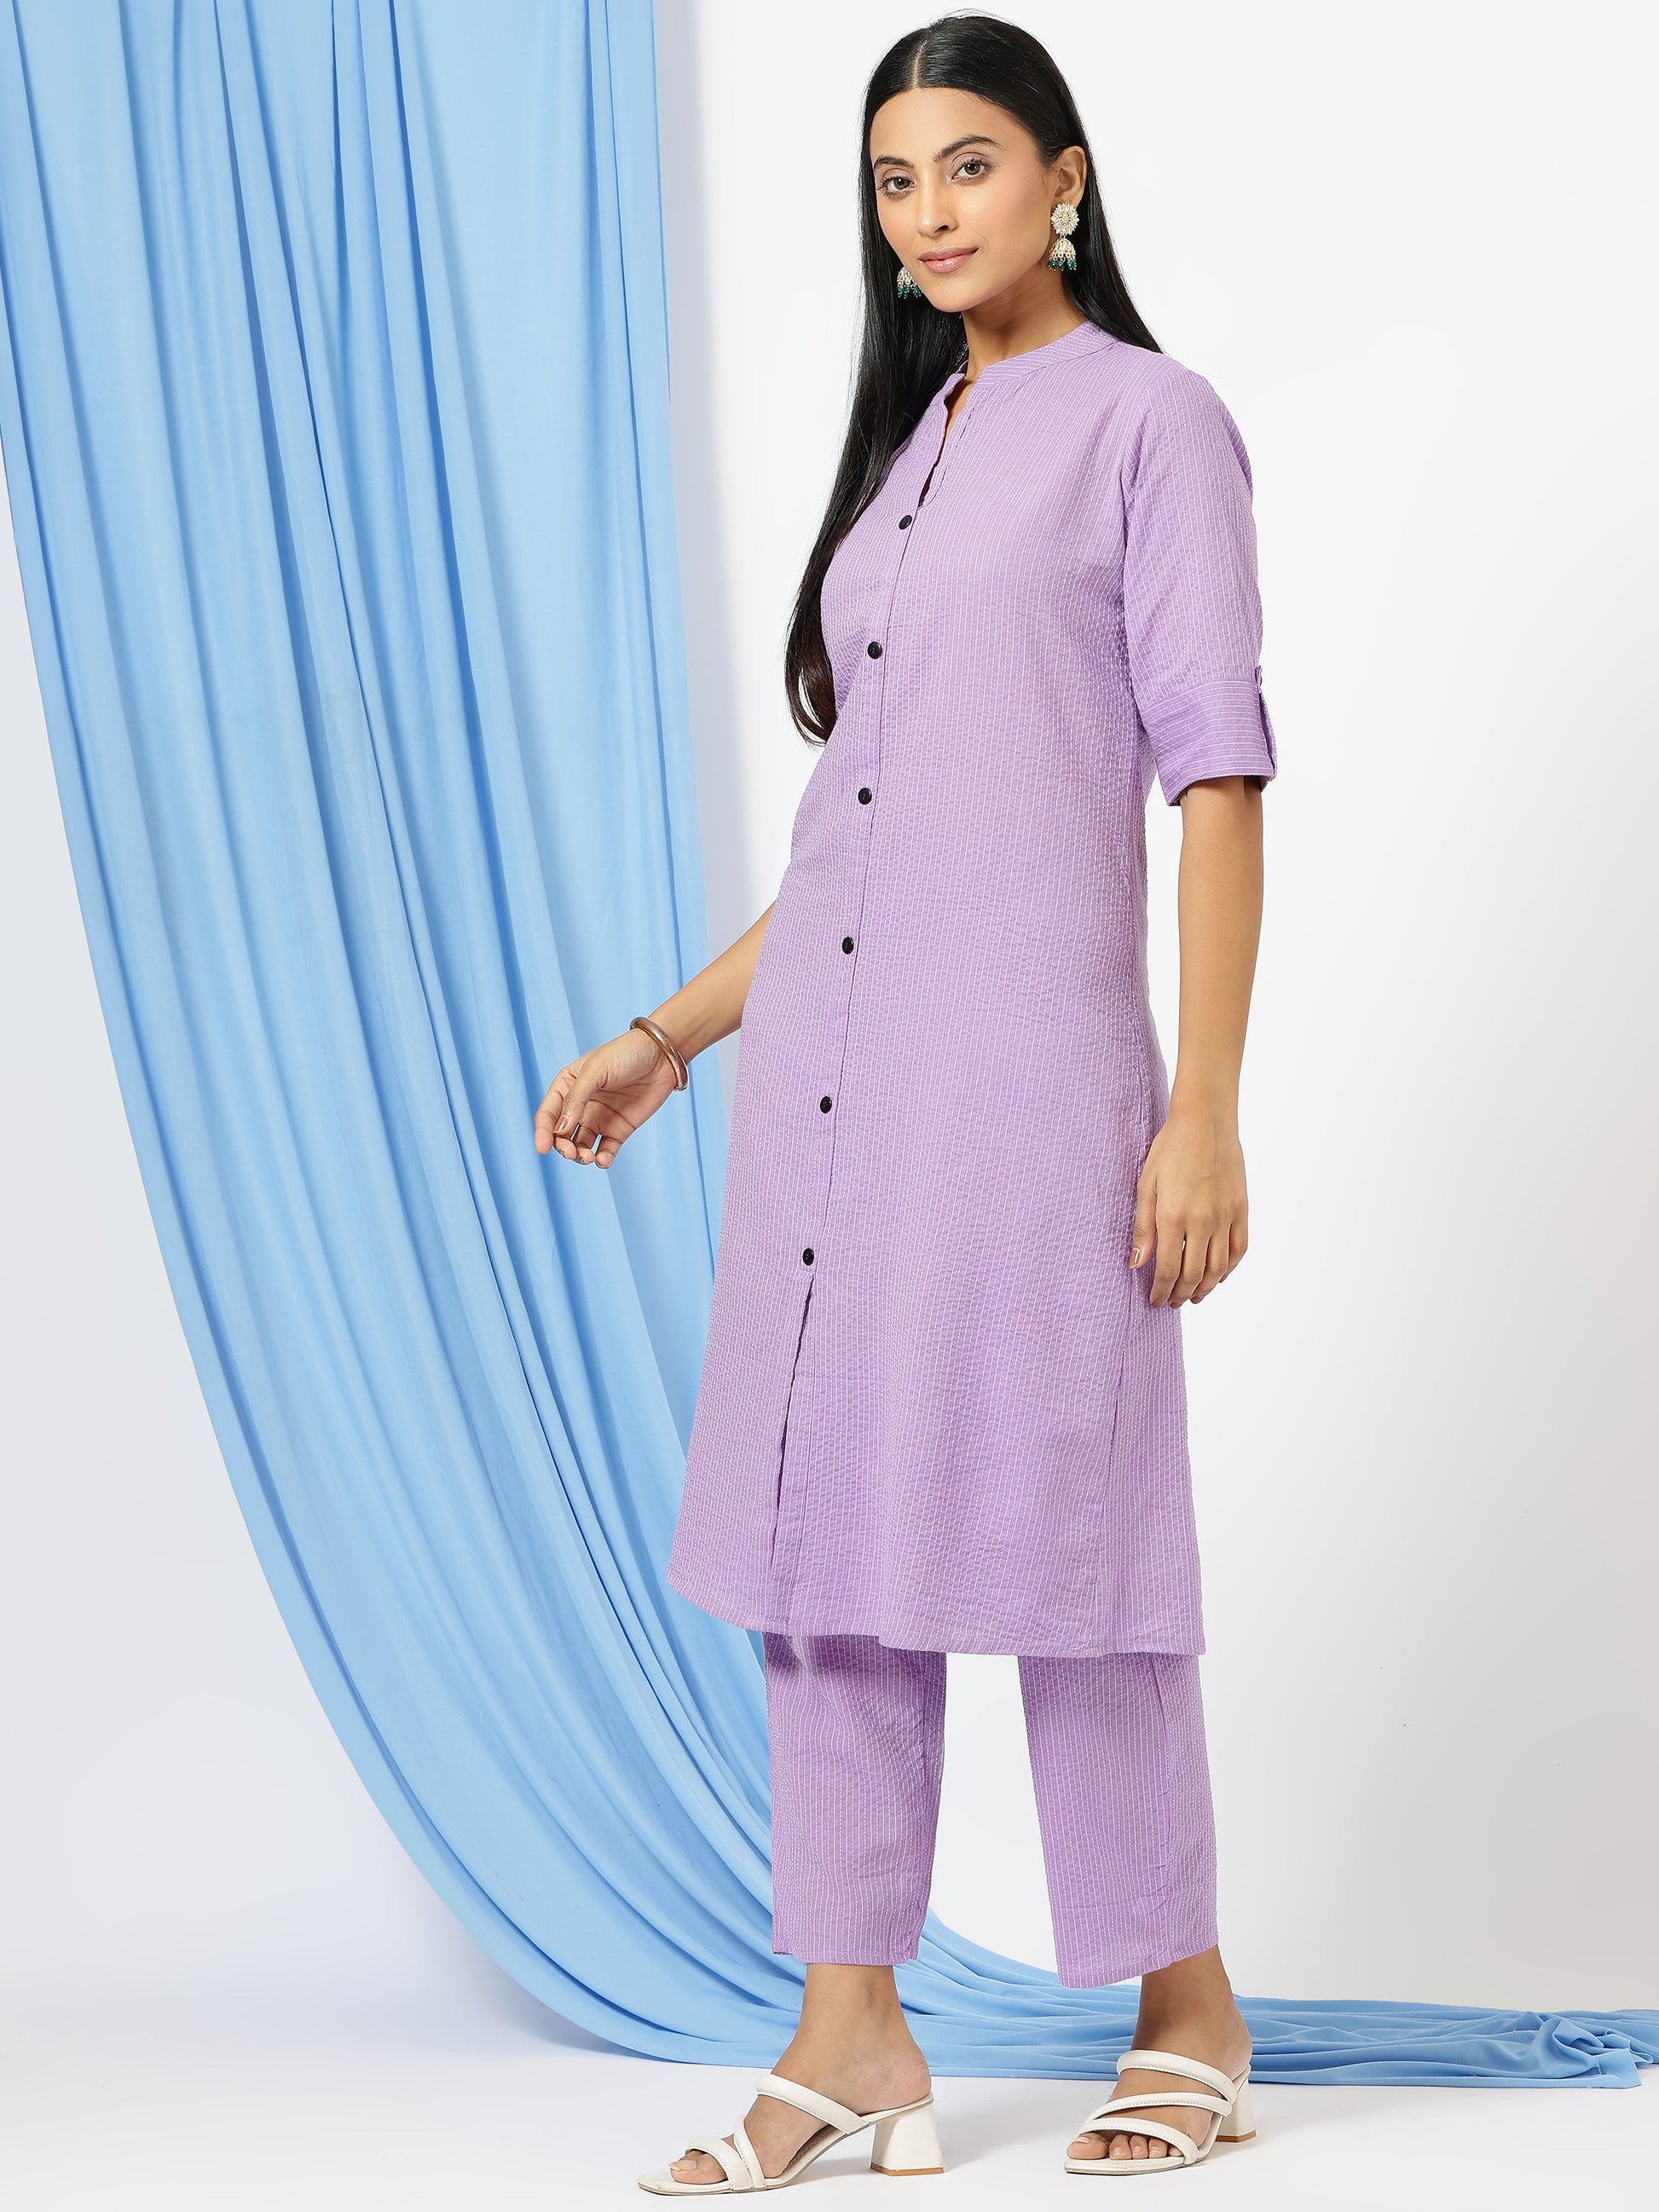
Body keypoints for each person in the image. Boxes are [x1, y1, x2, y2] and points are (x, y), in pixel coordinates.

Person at [535, 14, 1275, 2189]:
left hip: (1035, 1095)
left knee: (1076, 1537)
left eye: (967, 165)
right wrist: (671, 1035)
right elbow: (863, 843)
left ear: (1063, 178)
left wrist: (1204, 1108)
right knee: (819, 1544)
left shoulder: (1149, 422)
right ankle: (847, 2024)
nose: (928, 212)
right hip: (828, 1110)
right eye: (891, 178)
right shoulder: (907, 452)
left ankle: (1186, 2003)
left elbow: (1216, 779)